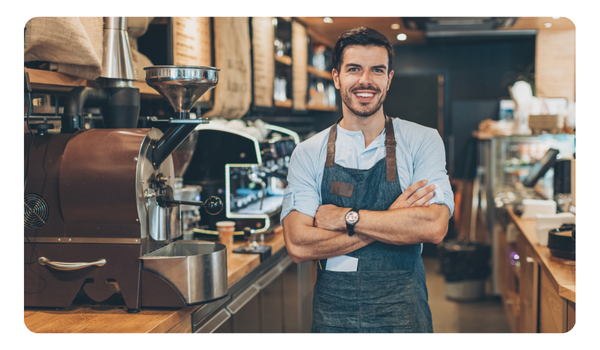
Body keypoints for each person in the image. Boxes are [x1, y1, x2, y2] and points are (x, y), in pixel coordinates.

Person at [281, 27, 454, 333]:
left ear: (389, 78)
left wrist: (346, 217)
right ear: (336, 77)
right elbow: (298, 244)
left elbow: (433, 226)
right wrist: (393, 220)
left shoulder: (422, 140)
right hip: (333, 317)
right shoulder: (308, 153)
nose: (365, 81)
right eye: (354, 70)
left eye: (377, 70)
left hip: (403, 314)